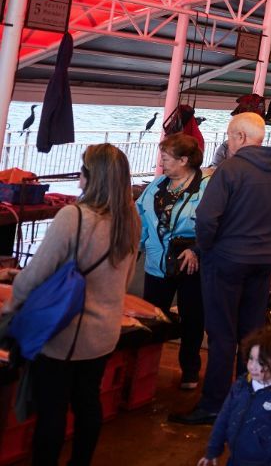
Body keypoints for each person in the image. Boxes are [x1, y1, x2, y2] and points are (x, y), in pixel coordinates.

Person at [1, 144, 139, 466]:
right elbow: (127, 276)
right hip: (104, 333)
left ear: (91, 177)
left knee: (52, 410)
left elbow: (38, 273)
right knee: (88, 402)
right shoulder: (130, 217)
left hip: (65, 334)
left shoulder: (74, 216)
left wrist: (12, 304)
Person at [174, 113, 271, 426]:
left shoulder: (230, 169)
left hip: (227, 261)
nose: (228, 143)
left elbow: (207, 219)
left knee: (222, 335)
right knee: (252, 334)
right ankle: (247, 399)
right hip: (263, 261)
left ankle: (214, 404)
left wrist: (208, 249)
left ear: (240, 137)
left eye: (229, 137)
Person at [135, 133, 208, 392]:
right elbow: (140, 218)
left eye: (166, 158)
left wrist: (197, 249)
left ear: (184, 160)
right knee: (151, 317)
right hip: (156, 263)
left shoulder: (206, 187)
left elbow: (217, 224)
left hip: (191, 265)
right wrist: (137, 247)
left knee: (192, 318)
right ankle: (143, 371)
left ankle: (190, 369)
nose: (161, 163)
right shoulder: (156, 186)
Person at [201, 326, 271, 466]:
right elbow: (223, 418)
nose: (253, 367)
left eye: (261, 362)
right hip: (234, 459)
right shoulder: (241, 385)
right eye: (251, 358)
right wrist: (213, 450)